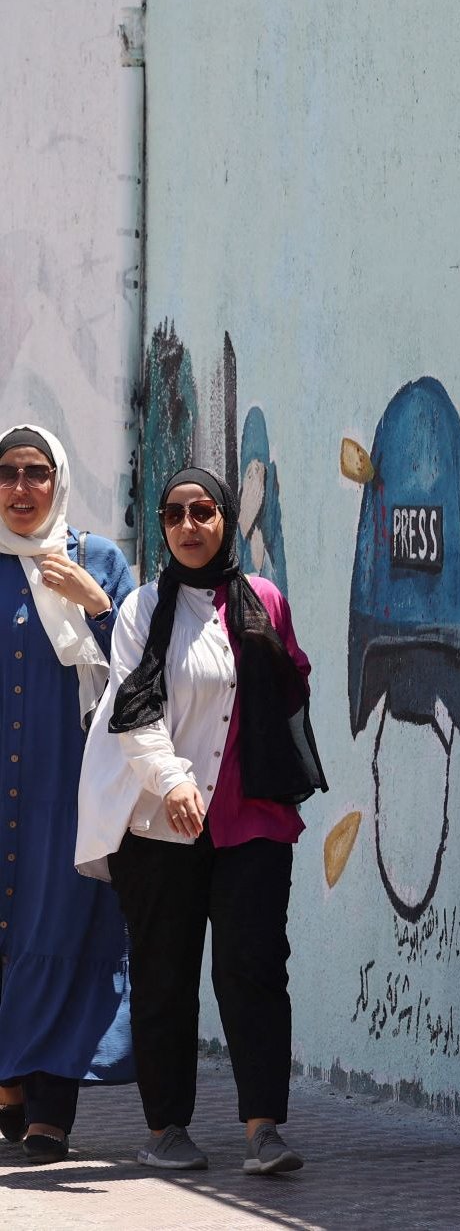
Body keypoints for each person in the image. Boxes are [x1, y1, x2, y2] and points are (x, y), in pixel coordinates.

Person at [77, 467, 313, 1175]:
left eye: (203, 511)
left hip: (253, 821)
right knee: (164, 976)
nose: (189, 525)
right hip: (160, 825)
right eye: (175, 513)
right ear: (162, 523)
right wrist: (174, 781)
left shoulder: (264, 599)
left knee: (254, 969)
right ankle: (168, 1127)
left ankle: (263, 1128)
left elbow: (292, 679)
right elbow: (132, 710)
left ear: (225, 520)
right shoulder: (142, 609)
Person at [0, 423, 135, 1163]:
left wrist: (97, 604)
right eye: (7, 473)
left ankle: (50, 1102)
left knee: (61, 930)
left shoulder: (98, 560)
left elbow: (145, 667)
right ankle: (11, 1084)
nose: (21, 489)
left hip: (68, 789)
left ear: (59, 479)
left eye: (36, 472)